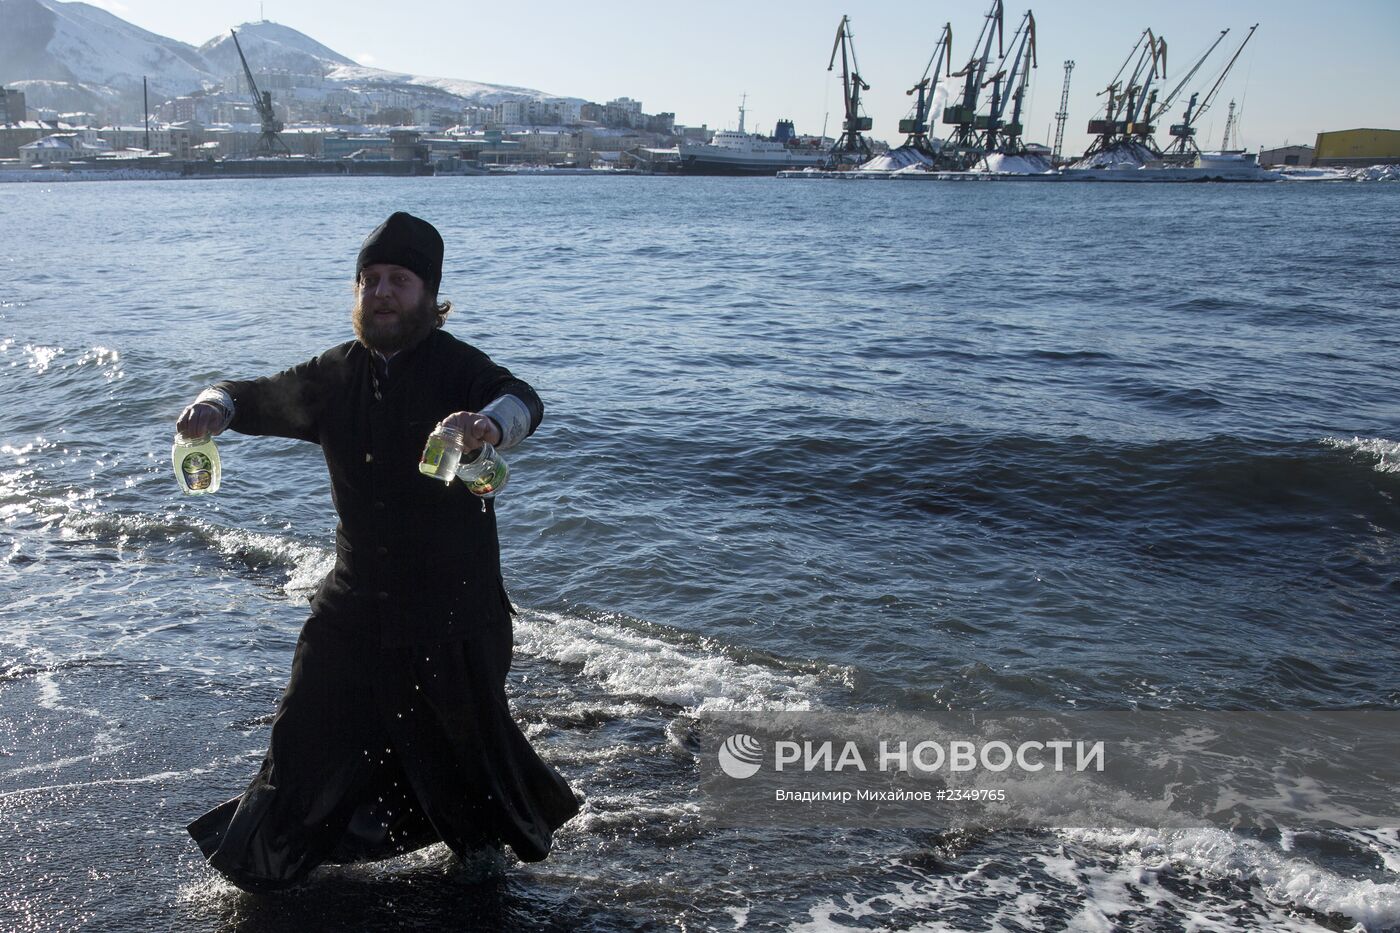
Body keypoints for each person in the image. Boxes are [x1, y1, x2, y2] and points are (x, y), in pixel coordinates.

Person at [178, 212, 579, 892]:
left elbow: (524, 399)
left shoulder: (459, 368)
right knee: (301, 738)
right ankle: (262, 870)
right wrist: (214, 405)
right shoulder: (334, 374)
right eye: (370, 280)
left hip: (454, 615)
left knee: (466, 769)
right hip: (353, 608)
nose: (383, 292)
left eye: (400, 280)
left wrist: (488, 425)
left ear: (429, 295)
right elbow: (252, 395)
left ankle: (483, 884)